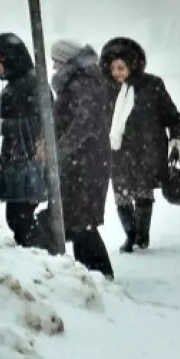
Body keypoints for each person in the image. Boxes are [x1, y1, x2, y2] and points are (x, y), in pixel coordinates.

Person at [102, 37, 180, 254]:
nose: (117, 73)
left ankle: (141, 236)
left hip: (148, 149)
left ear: (132, 65)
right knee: (121, 194)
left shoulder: (152, 85)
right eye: (113, 68)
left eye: (121, 68)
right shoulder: (106, 89)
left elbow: (172, 116)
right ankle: (130, 236)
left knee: (143, 193)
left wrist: (176, 140)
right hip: (118, 151)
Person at [48, 39, 115, 279]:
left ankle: (99, 274)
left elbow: (84, 123)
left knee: (81, 222)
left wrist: (59, 149)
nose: (54, 66)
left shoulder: (81, 83)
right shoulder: (83, 80)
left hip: (87, 163)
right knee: (78, 221)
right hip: (85, 160)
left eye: (56, 61)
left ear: (66, 60)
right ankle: (92, 273)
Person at [0, 33, 51, 249]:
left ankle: (45, 258)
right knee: (18, 218)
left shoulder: (30, 84)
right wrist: (2, 162)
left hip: (29, 162)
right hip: (20, 161)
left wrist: (6, 126)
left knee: (20, 219)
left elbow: (42, 124)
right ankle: (39, 257)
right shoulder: (21, 82)